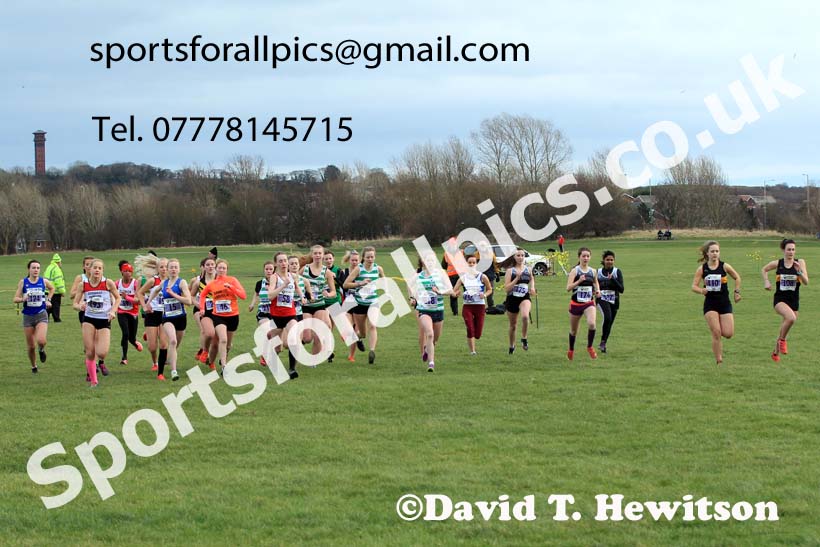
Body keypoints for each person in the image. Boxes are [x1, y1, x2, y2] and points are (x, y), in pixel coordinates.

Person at [691, 240, 741, 365]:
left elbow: (737, 277)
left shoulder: (724, 266)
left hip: (724, 303)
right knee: (716, 332)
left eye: (717, 251)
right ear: (707, 253)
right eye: (712, 251)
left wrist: (737, 292)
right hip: (710, 304)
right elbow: (693, 286)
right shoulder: (702, 269)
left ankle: (718, 329)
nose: (715, 254)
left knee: (728, 334)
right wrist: (702, 290)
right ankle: (719, 360)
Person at [73, 259, 121, 387]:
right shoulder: (83, 285)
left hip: (104, 319)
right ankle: (94, 381)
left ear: (102, 271)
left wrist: (113, 311)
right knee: (90, 352)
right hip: (89, 319)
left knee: (102, 352)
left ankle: (99, 363)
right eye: (95, 268)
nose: (97, 270)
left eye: (100, 268)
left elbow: (118, 298)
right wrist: (80, 306)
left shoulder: (108, 283)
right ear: (89, 269)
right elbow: (74, 304)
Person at [762, 239, 809, 362]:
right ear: (783, 250)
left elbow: (806, 282)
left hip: (794, 301)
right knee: (791, 318)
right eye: (789, 249)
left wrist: (799, 271)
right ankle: (782, 342)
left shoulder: (800, 262)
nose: (791, 252)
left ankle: (775, 353)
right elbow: (764, 269)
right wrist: (766, 281)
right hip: (780, 300)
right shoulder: (778, 263)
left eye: (793, 249)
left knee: (785, 327)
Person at [199, 259, 246, 374]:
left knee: (228, 345)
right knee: (223, 339)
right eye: (219, 267)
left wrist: (231, 288)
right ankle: (224, 366)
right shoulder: (212, 284)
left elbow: (243, 296)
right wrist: (202, 308)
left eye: (224, 268)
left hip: (233, 316)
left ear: (227, 270)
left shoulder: (232, 280)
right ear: (216, 269)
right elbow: (202, 295)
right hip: (218, 316)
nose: (221, 270)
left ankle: (222, 358)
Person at [147, 258, 192, 381]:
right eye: (171, 267)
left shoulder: (182, 282)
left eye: (175, 267)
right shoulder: (164, 283)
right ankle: (174, 371)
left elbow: (188, 301)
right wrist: (149, 302)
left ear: (179, 269)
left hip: (181, 318)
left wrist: (174, 295)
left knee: (175, 345)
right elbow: (155, 291)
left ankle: (170, 358)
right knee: (172, 341)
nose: (173, 269)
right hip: (167, 318)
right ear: (167, 269)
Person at [409, 252, 452, 372]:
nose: (431, 263)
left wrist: (440, 292)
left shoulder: (441, 274)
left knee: (434, 340)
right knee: (429, 334)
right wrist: (412, 298)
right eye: (428, 261)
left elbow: (450, 290)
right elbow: (409, 285)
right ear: (423, 262)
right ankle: (431, 364)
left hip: (438, 310)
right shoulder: (418, 276)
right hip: (424, 310)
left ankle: (427, 350)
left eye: (433, 261)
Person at [342, 246, 385, 364]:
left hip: (373, 302)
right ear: (363, 258)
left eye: (372, 257)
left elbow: (384, 281)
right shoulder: (358, 270)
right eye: (368, 257)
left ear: (375, 256)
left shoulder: (378, 269)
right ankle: (358, 337)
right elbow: (346, 284)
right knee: (363, 333)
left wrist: (385, 289)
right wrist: (360, 283)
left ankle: (372, 351)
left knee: (373, 325)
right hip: (359, 304)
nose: (370, 259)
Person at [267, 252, 305, 379]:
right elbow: (270, 295)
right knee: (276, 348)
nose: (284, 263)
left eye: (285, 261)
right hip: (276, 315)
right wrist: (283, 285)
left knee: (293, 338)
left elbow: (297, 288)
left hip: (290, 313)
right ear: (276, 263)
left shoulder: (292, 276)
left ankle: (292, 369)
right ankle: (272, 361)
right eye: (281, 261)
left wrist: (302, 297)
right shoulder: (274, 277)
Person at [13, 259, 54, 373]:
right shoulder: (23, 282)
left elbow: (52, 288)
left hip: (41, 314)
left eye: (38, 268)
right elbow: (15, 298)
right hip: (28, 317)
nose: (36, 270)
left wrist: (48, 300)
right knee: (31, 346)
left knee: (41, 340)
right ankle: (34, 366)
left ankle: (41, 350)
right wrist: (22, 299)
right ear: (29, 269)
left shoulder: (43, 281)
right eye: (33, 268)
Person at [451, 254, 493, 355]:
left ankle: (475, 338)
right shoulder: (463, 278)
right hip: (467, 307)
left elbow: (490, 289)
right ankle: (472, 351)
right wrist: (456, 294)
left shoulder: (482, 276)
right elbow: (453, 292)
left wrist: (485, 295)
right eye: (469, 262)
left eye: (473, 262)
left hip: (479, 306)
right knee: (470, 328)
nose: (471, 264)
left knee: (477, 333)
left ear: (476, 264)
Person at [301, 245, 337, 359]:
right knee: (307, 338)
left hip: (319, 305)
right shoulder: (305, 269)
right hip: (306, 305)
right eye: (315, 253)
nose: (317, 255)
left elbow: (334, 292)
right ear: (312, 255)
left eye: (319, 253)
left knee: (317, 334)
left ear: (322, 255)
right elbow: (295, 282)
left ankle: (313, 360)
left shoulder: (327, 272)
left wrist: (328, 294)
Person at [566, 247, 602, 360]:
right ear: (579, 257)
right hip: (576, 304)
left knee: (592, 324)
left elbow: (596, 282)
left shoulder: (593, 271)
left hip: (589, 303)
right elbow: (568, 288)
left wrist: (598, 291)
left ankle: (590, 347)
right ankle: (571, 349)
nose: (586, 258)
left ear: (590, 257)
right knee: (573, 331)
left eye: (588, 256)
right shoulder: (575, 271)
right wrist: (579, 281)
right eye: (583, 256)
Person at [135, 254, 169, 374]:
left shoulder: (173, 281)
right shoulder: (153, 281)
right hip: (152, 314)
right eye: (162, 267)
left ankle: (161, 367)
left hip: (166, 315)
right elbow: (140, 293)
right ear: (157, 268)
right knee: (152, 347)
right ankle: (154, 362)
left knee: (164, 344)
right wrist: (144, 306)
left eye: (166, 267)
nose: (164, 269)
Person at [501, 248, 536, 354]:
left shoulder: (528, 269)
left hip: (524, 297)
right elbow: (506, 288)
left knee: (525, 316)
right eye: (518, 256)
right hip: (512, 299)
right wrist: (516, 279)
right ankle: (512, 345)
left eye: (522, 255)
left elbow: (532, 279)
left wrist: (532, 287)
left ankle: (524, 338)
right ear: (514, 257)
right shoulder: (510, 271)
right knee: (513, 325)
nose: (520, 258)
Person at [339, 250, 366, 361]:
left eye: (356, 260)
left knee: (356, 330)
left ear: (359, 260)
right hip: (347, 303)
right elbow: (342, 287)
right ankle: (356, 339)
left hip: (359, 303)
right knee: (348, 329)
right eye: (353, 260)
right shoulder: (344, 272)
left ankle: (351, 356)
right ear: (349, 260)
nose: (354, 262)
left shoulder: (362, 272)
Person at [596, 250, 624, 354]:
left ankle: (603, 343)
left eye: (612, 260)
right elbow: (595, 286)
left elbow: (621, 289)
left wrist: (613, 280)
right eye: (607, 259)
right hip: (602, 299)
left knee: (609, 323)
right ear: (604, 260)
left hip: (614, 300)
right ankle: (603, 343)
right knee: (607, 318)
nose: (610, 261)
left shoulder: (617, 272)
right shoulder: (598, 272)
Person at [191, 257, 217, 368]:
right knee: (208, 333)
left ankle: (211, 360)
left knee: (218, 339)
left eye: (212, 264)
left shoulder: (220, 279)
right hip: (203, 312)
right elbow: (191, 296)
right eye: (208, 265)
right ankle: (204, 351)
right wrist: (198, 304)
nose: (210, 266)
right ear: (204, 267)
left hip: (219, 312)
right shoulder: (198, 282)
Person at [115, 261, 143, 365]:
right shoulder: (117, 284)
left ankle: (134, 343)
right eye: (125, 271)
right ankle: (124, 357)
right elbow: (112, 295)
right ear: (122, 272)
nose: (128, 273)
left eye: (129, 271)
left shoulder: (135, 284)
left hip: (133, 313)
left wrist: (126, 297)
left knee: (131, 337)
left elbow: (138, 300)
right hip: (121, 312)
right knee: (125, 333)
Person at [249, 261, 276, 366]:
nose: (269, 271)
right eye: (267, 269)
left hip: (275, 312)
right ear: (264, 270)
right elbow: (256, 294)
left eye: (271, 269)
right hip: (263, 312)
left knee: (272, 336)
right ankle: (264, 355)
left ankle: (268, 353)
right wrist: (252, 304)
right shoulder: (260, 283)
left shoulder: (278, 282)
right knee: (267, 331)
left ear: (274, 270)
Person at [43, 253, 65, 322]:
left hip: (46, 291)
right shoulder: (57, 269)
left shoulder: (49, 267)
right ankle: (56, 319)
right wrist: (62, 291)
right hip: (55, 292)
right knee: (56, 306)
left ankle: (46, 318)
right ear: (58, 262)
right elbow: (58, 282)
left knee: (47, 306)